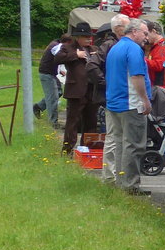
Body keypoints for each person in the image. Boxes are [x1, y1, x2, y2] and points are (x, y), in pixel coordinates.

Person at [104, 18, 153, 194]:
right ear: (134, 32)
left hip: (114, 102)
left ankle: (121, 181)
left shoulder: (115, 47)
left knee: (119, 143)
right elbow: (137, 77)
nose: (146, 37)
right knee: (134, 145)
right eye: (144, 33)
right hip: (130, 103)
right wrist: (145, 100)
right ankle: (130, 185)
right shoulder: (133, 49)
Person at [89, 14, 128, 182]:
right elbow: (91, 65)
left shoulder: (115, 44)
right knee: (112, 136)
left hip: (114, 95)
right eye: (127, 26)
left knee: (115, 135)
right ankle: (110, 175)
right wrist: (106, 82)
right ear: (119, 28)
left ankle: (114, 174)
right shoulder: (109, 45)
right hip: (111, 96)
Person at [56, 22, 97, 156]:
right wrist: (75, 55)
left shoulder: (92, 49)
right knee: (73, 122)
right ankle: (67, 149)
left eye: (89, 36)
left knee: (91, 122)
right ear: (77, 37)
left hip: (91, 90)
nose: (88, 39)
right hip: (76, 90)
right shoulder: (68, 47)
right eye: (85, 37)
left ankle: (86, 149)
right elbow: (57, 58)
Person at [32, 33, 65, 128]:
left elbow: (55, 59)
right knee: (53, 98)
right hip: (47, 74)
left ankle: (38, 107)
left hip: (50, 73)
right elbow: (60, 57)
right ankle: (53, 123)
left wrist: (59, 70)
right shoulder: (57, 46)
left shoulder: (55, 44)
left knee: (58, 92)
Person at [144, 19, 165, 119]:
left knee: (158, 118)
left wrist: (143, 60)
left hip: (160, 89)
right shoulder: (156, 47)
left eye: (147, 34)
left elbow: (159, 65)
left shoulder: (161, 46)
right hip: (158, 89)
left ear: (154, 32)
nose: (146, 38)